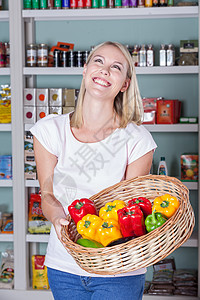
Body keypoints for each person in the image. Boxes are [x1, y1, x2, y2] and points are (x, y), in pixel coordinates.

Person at [31, 41, 157, 300]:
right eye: (98, 62)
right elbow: (47, 194)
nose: (104, 70)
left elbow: (130, 208)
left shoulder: (137, 139)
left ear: (124, 83)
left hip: (119, 269)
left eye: (116, 67)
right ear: (85, 69)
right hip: (64, 266)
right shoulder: (49, 130)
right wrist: (57, 219)